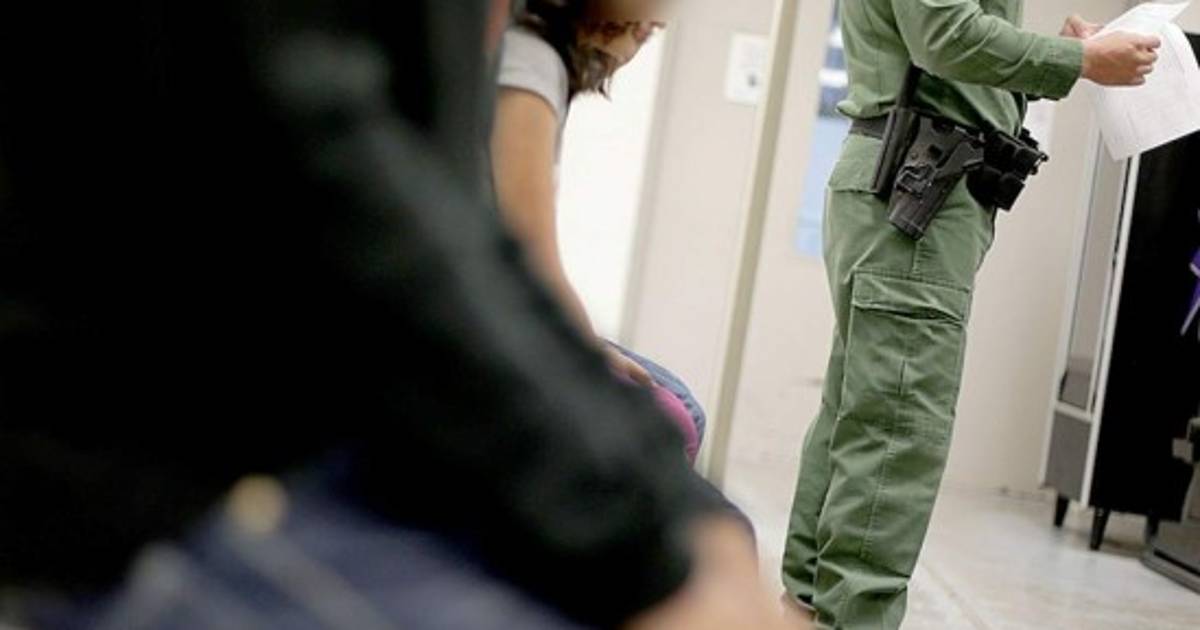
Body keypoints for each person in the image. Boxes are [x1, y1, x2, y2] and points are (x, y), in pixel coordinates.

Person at [0, 1, 793, 629]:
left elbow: (463, 234)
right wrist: (639, 538)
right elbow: (332, 182)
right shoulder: (527, 67)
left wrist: (675, 512)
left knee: (701, 498)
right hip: (144, 463)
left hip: (332, 401)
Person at [780, 3, 1161, 629]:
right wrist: (1079, 61)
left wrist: (1062, 56)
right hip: (916, 187)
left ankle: (806, 606)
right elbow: (945, 36)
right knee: (896, 427)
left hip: (912, 182)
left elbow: (952, 54)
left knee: (861, 412)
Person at [490, 0, 705, 457]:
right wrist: (586, 352)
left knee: (678, 403)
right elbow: (531, 261)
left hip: (499, 309)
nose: (659, 19)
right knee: (677, 416)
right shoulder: (530, 62)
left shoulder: (534, 62)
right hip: (489, 318)